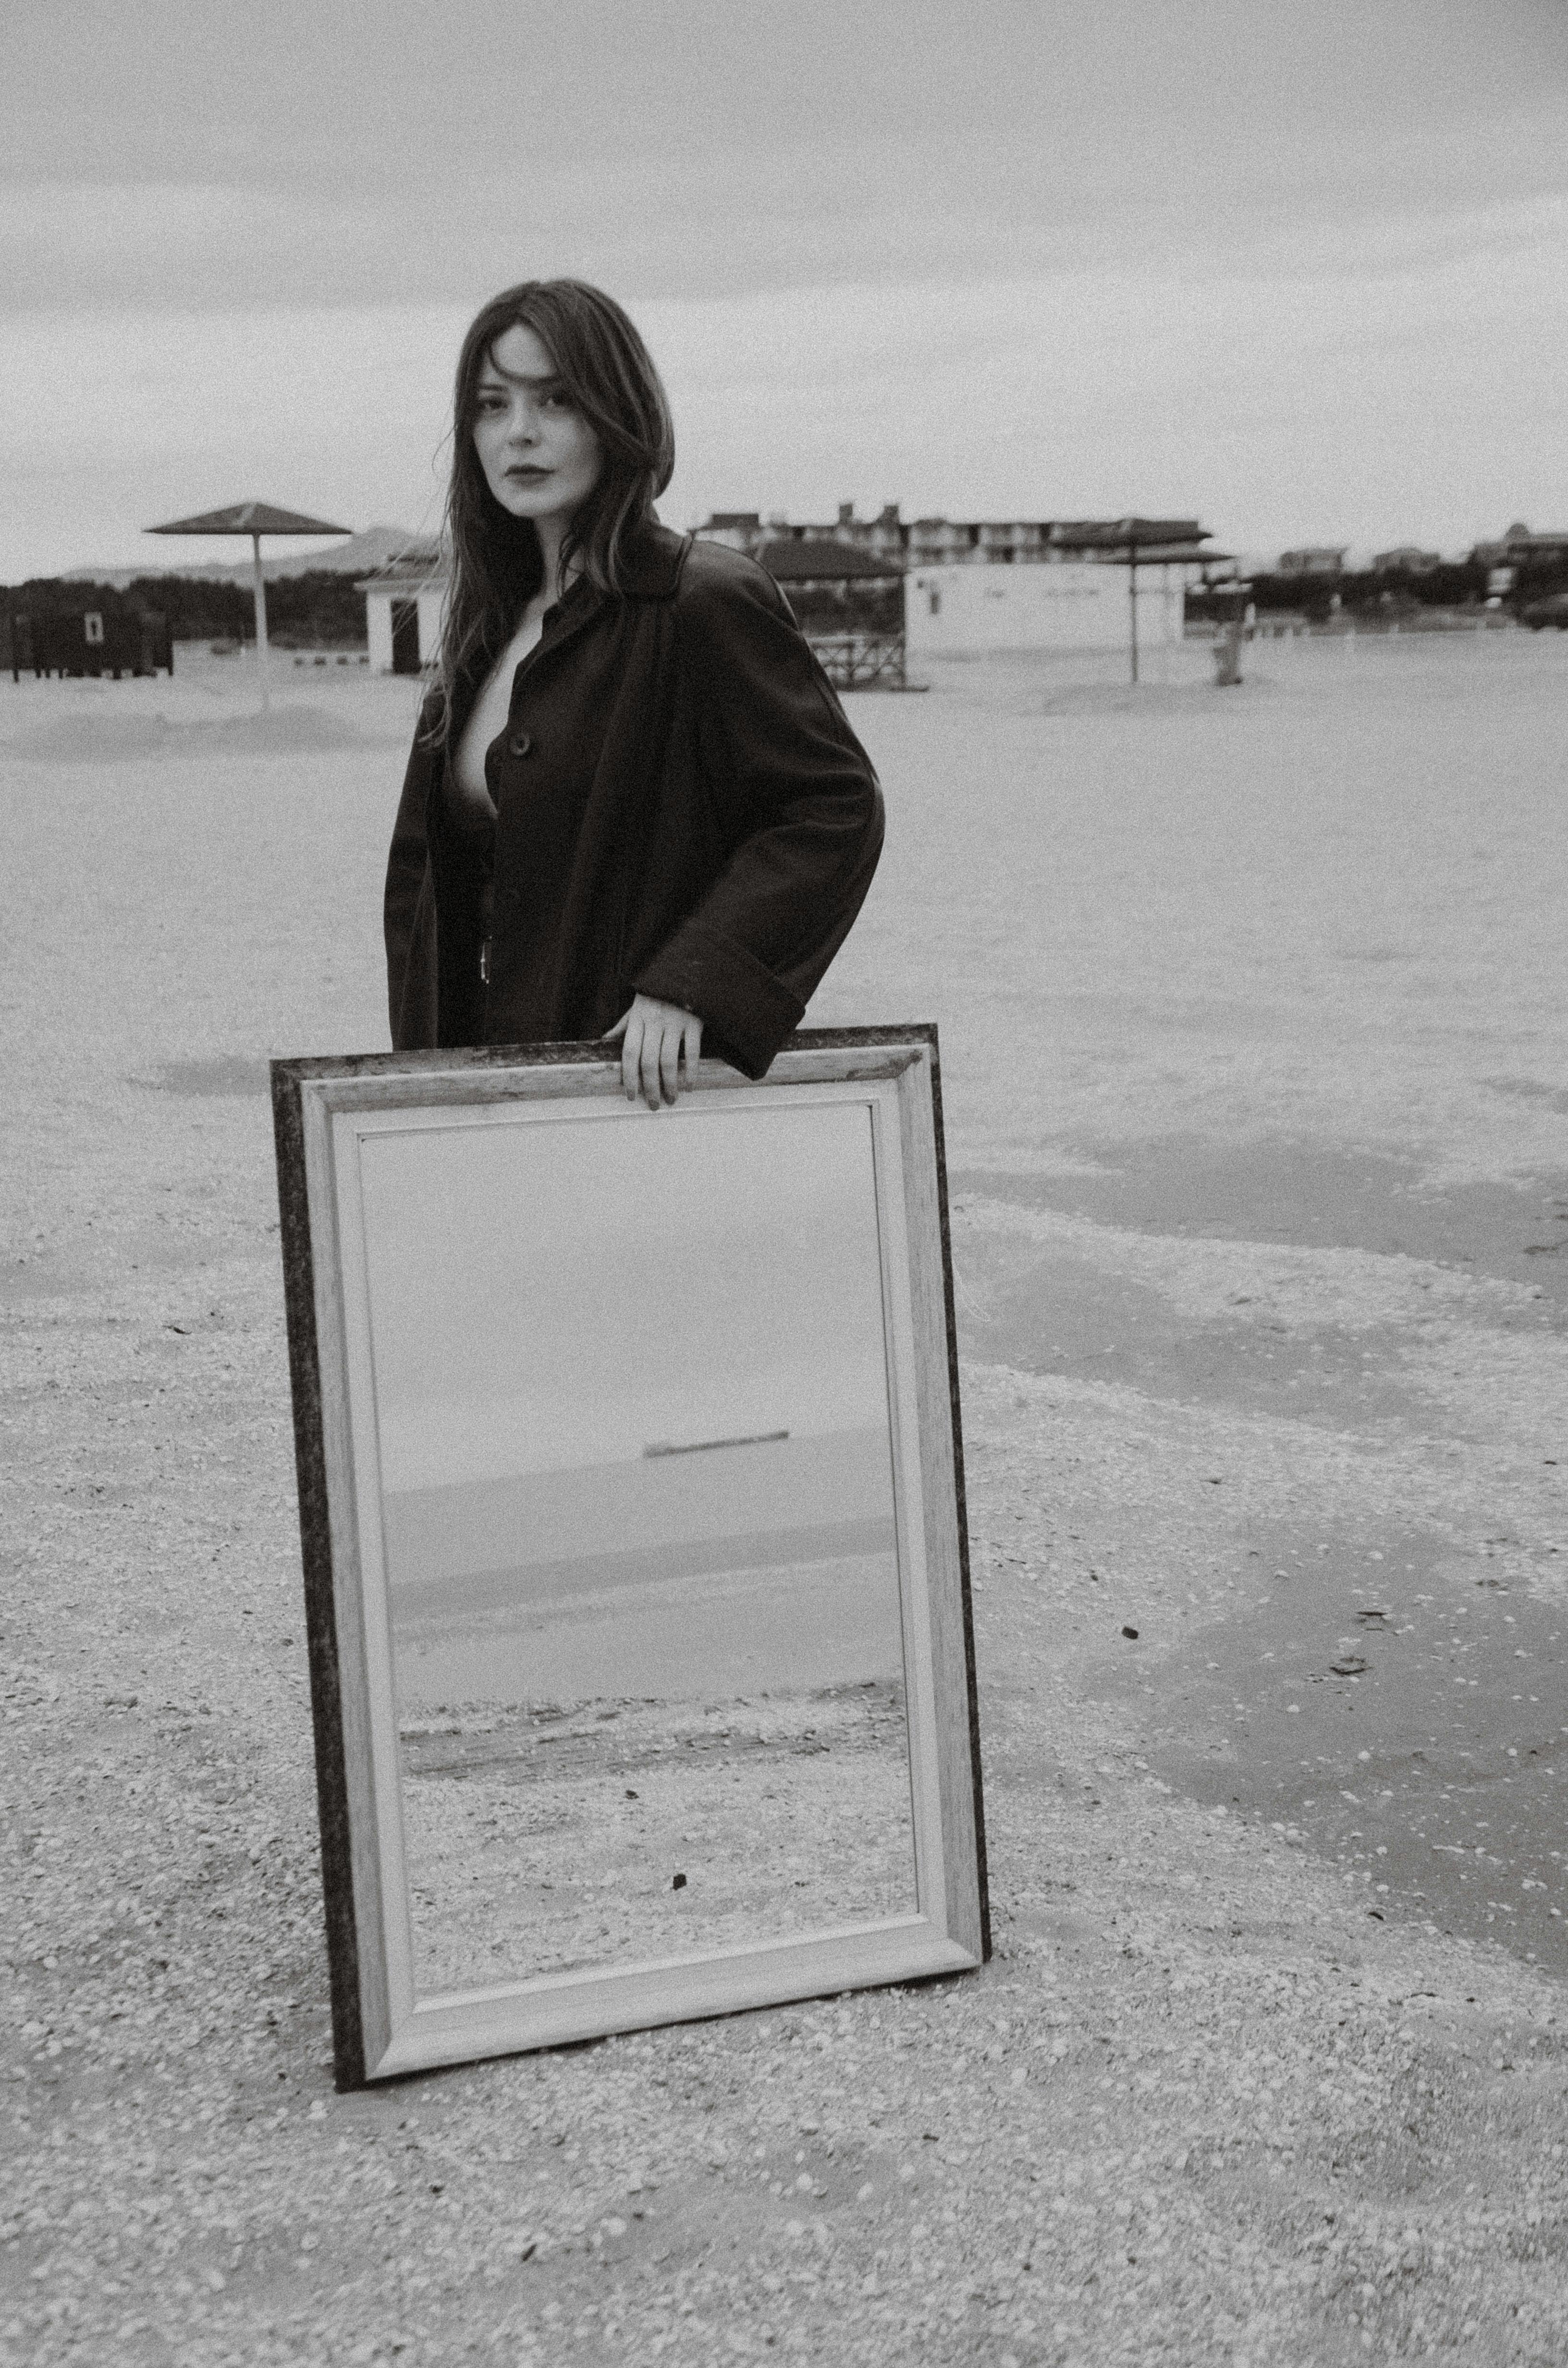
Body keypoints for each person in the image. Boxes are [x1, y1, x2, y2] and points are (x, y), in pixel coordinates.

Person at [384, 279, 884, 1109]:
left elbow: (831, 809)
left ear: (620, 413)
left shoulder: (702, 601)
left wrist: (694, 981)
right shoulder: (485, 630)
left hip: (633, 1090)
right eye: (490, 403)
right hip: (478, 1087)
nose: (520, 433)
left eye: (557, 399)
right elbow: (431, 881)